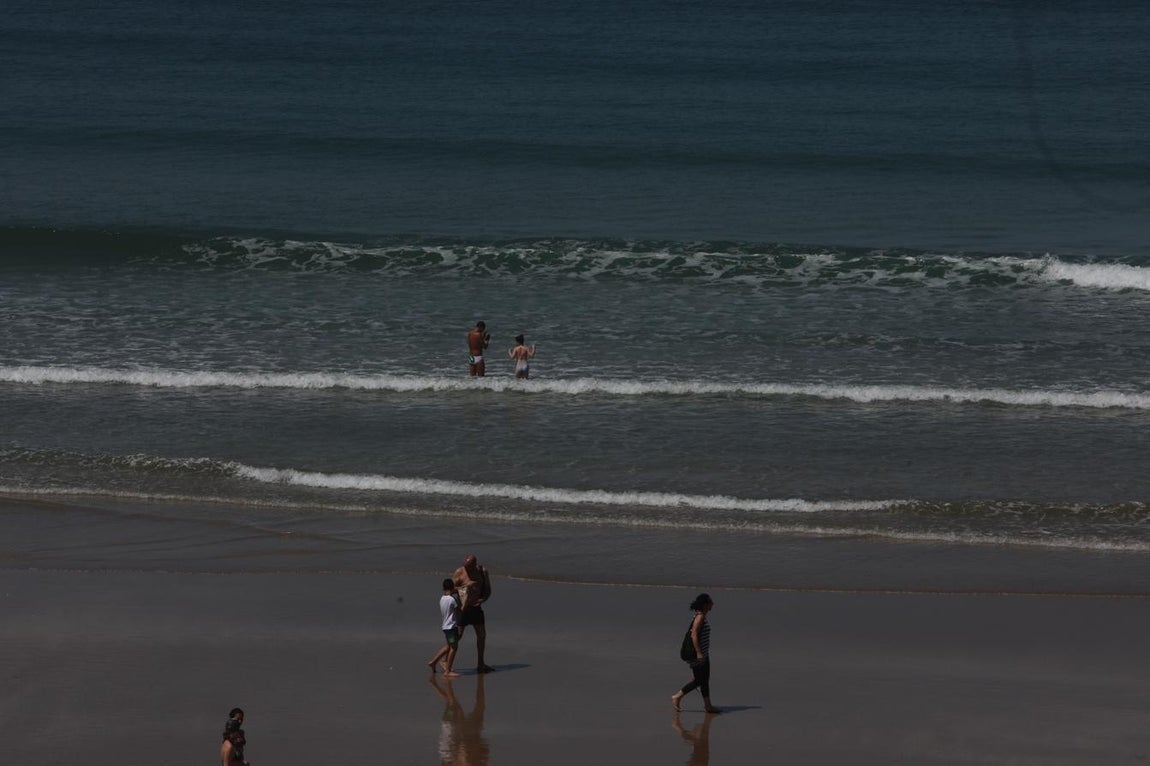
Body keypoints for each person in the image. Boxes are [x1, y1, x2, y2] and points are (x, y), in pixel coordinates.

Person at [671, 593, 721, 714]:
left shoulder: (702, 616)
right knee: (699, 680)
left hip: (703, 653)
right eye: (710, 602)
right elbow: (694, 635)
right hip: (699, 654)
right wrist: (699, 652)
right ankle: (677, 696)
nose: (712, 604)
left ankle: (708, 705)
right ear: (705, 605)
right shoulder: (700, 617)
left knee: (704, 680)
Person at [453, 554, 493, 673]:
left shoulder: (482, 571)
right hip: (463, 608)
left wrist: (483, 599)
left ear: (475, 565)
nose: (467, 569)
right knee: (457, 636)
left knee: (481, 635)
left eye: (470, 567)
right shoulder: (459, 572)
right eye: (466, 566)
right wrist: (466, 586)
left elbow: (488, 590)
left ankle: (481, 664)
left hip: (476, 608)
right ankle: (444, 660)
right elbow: (450, 590)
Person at [428, 578, 463, 678]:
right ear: (452, 588)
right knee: (454, 647)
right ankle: (447, 670)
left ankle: (433, 662)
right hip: (451, 627)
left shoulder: (442, 599)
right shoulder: (452, 599)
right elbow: (459, 611)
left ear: (443, 588)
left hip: (445, 627)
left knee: (448, 646)